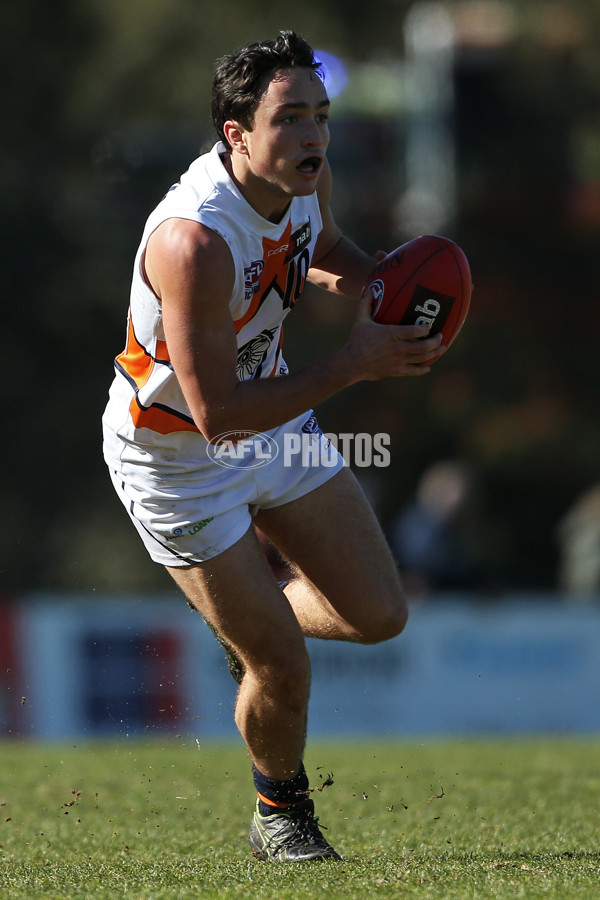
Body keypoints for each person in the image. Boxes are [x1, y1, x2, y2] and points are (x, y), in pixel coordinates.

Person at [102, 30, 445, 862]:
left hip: (276, 417)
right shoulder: (193, 243)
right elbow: (218, 416)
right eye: (290, 118)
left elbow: (322, 253)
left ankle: (253, 628)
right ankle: (281, 815)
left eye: (321, 116)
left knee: (380, 615)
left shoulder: (306, 181)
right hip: (176, 458)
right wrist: (355, 363)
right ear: (237, 135)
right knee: (286, 670)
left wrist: (387, 290)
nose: (314, 138)